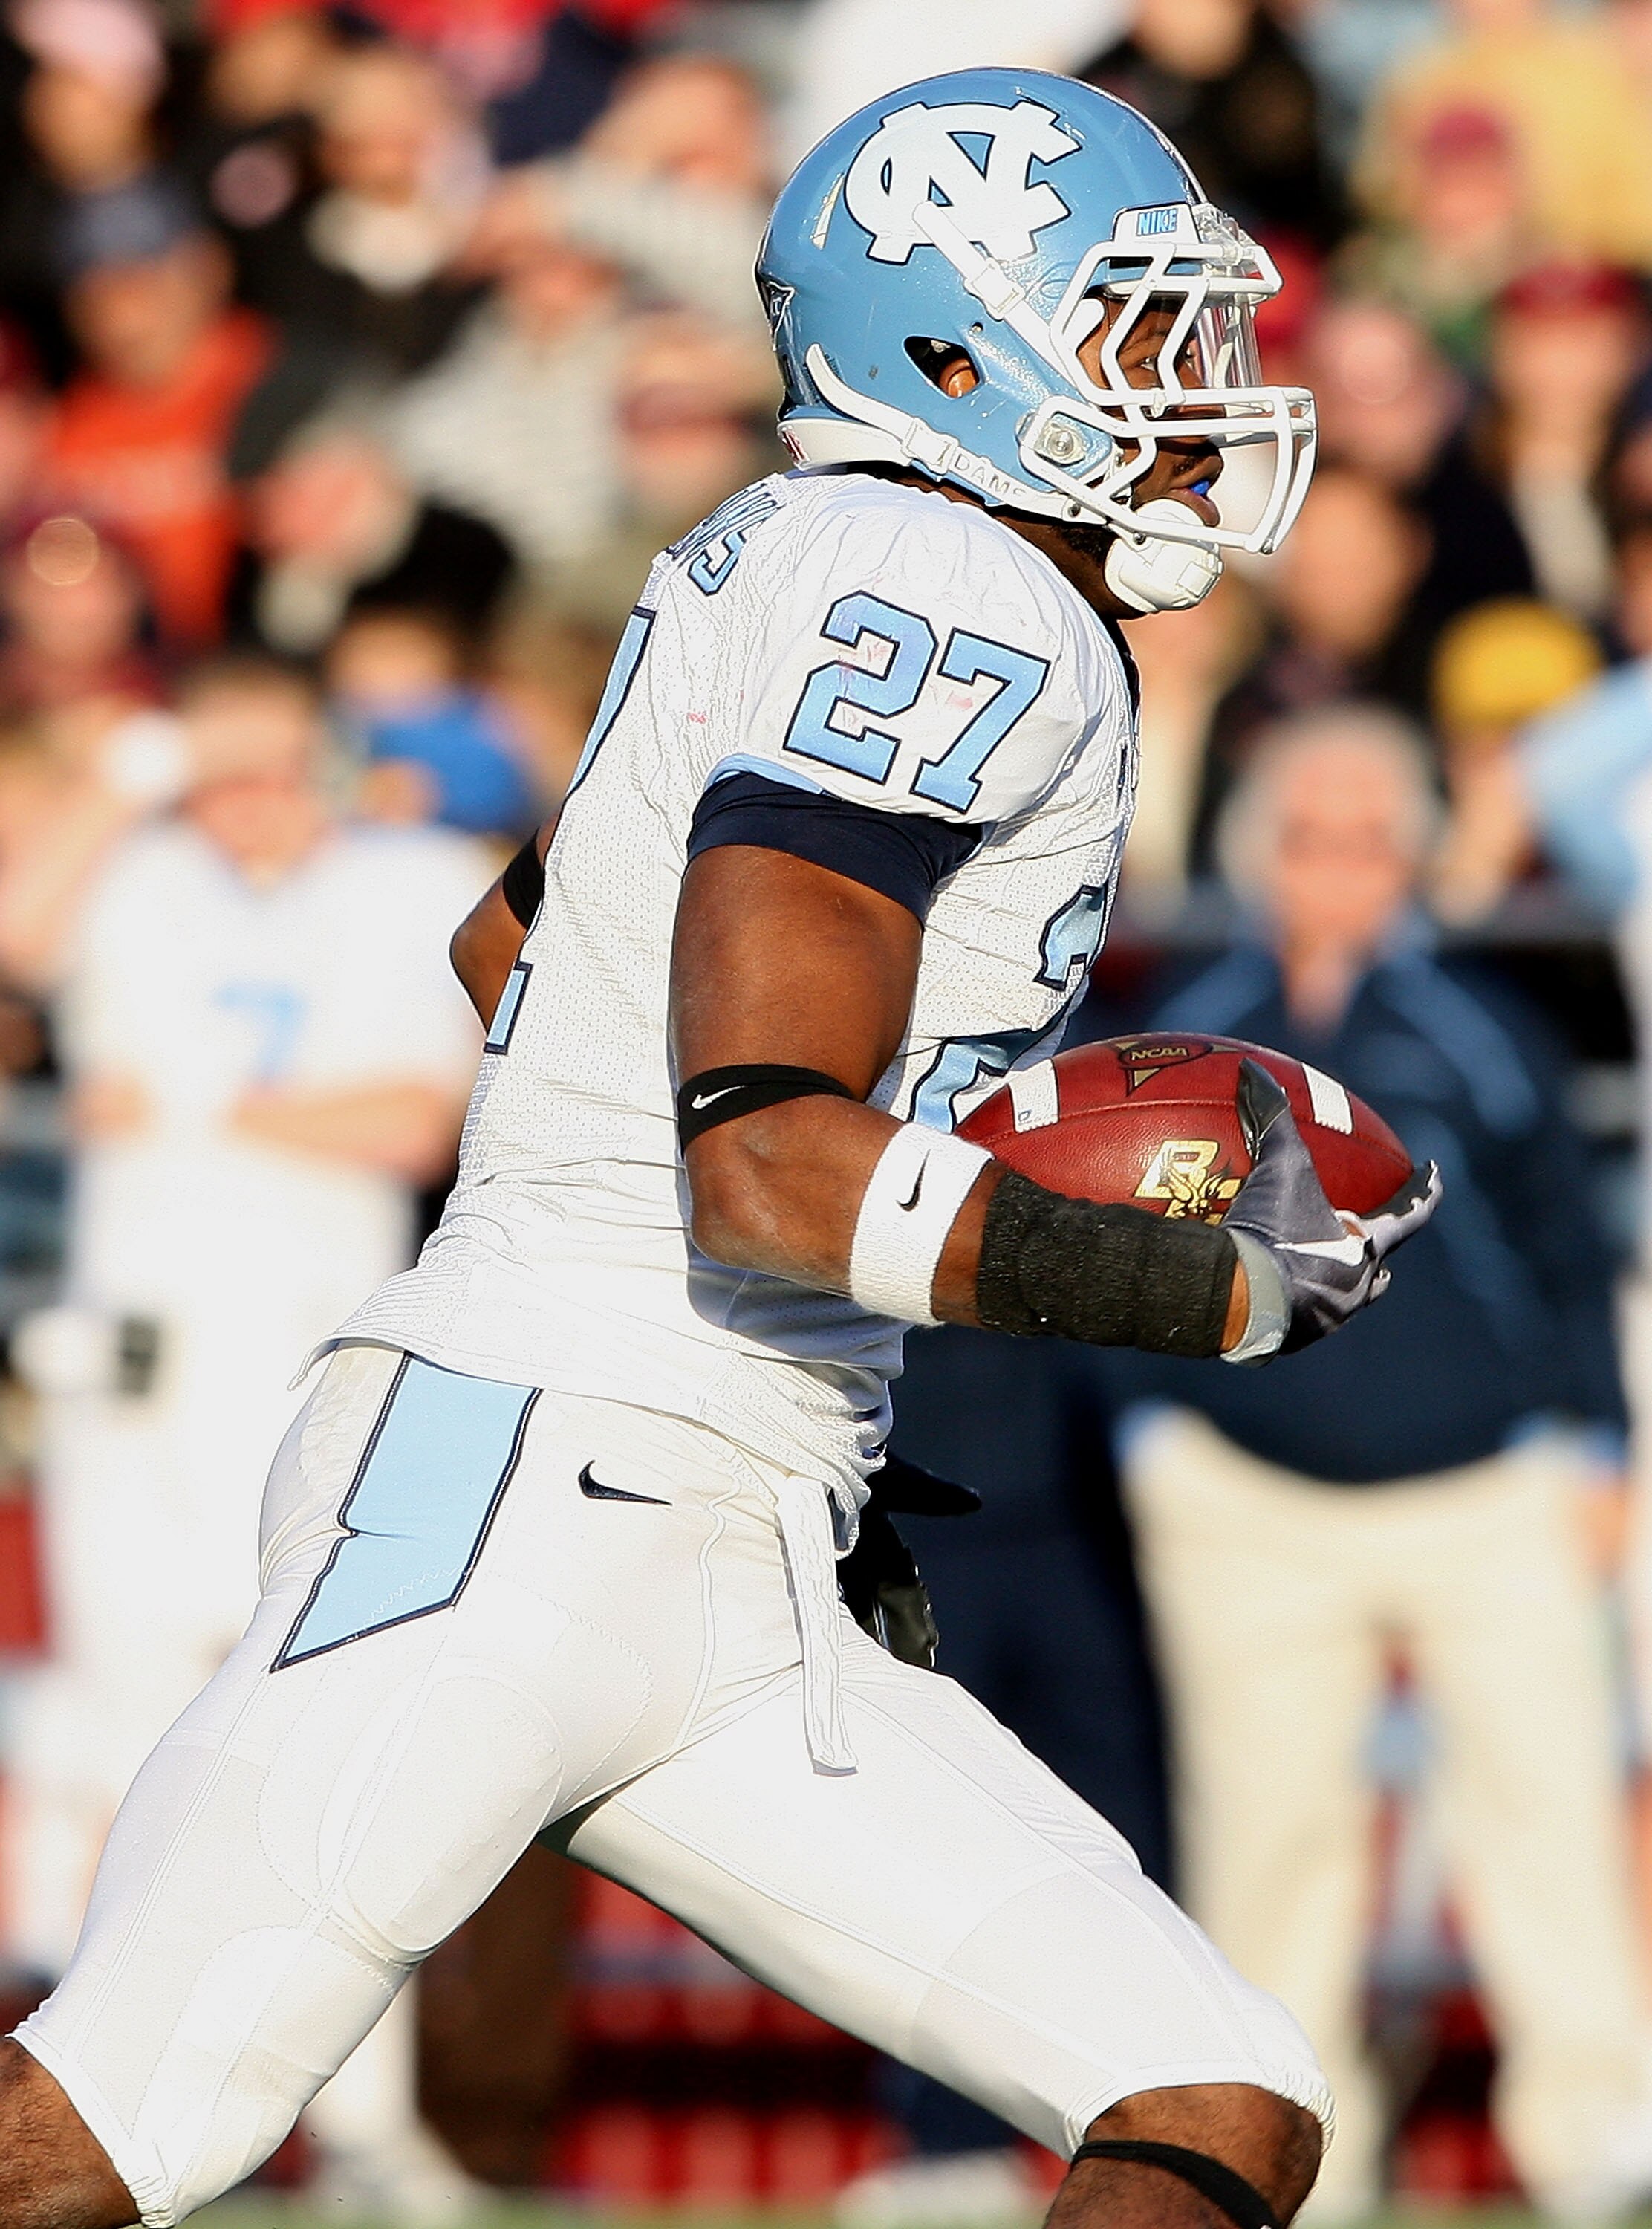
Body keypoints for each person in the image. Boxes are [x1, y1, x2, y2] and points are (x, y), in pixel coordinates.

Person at [0, 71, 1440, 2229]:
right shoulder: (964, 587)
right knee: (119, 2125)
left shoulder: (813, 544)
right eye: (1141, 327)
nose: (1201, 384)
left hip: (721, 1499)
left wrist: (815, 1343)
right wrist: (1179, 1281)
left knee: (1212, 2093)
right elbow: (763, 1163)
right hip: (545, 1472)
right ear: (958, 358)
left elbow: (516, 945)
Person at [1108, 706, 1647, 2221]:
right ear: (1253, 852)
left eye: (1366, 837)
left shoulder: (1481, 1025)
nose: (1335, 866)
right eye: (1304, 835)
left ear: (1409, 856)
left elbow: (1558, 1251)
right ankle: (1300, 2159)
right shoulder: (1182, 1031)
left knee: (1540, 1813)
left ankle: (1587, 2141)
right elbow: (1090, 1263)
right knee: (1269, 1837)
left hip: (1488, 1492)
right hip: (1243, 1498)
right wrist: (1151, 1433)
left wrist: (1595, 1449)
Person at [0, 652, 490, 2220]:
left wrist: (190, 1102)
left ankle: (366, 2123)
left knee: (335, 1735)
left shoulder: (403, 878)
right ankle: (114, 2126)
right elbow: (18, 929)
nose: (243, 801)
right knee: (117, 1739)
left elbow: (406, 1117)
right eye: (216, 769)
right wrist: (132, 764)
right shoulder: (140, 875)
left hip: (316, 1362)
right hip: (136, 1375)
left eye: (270, 764)